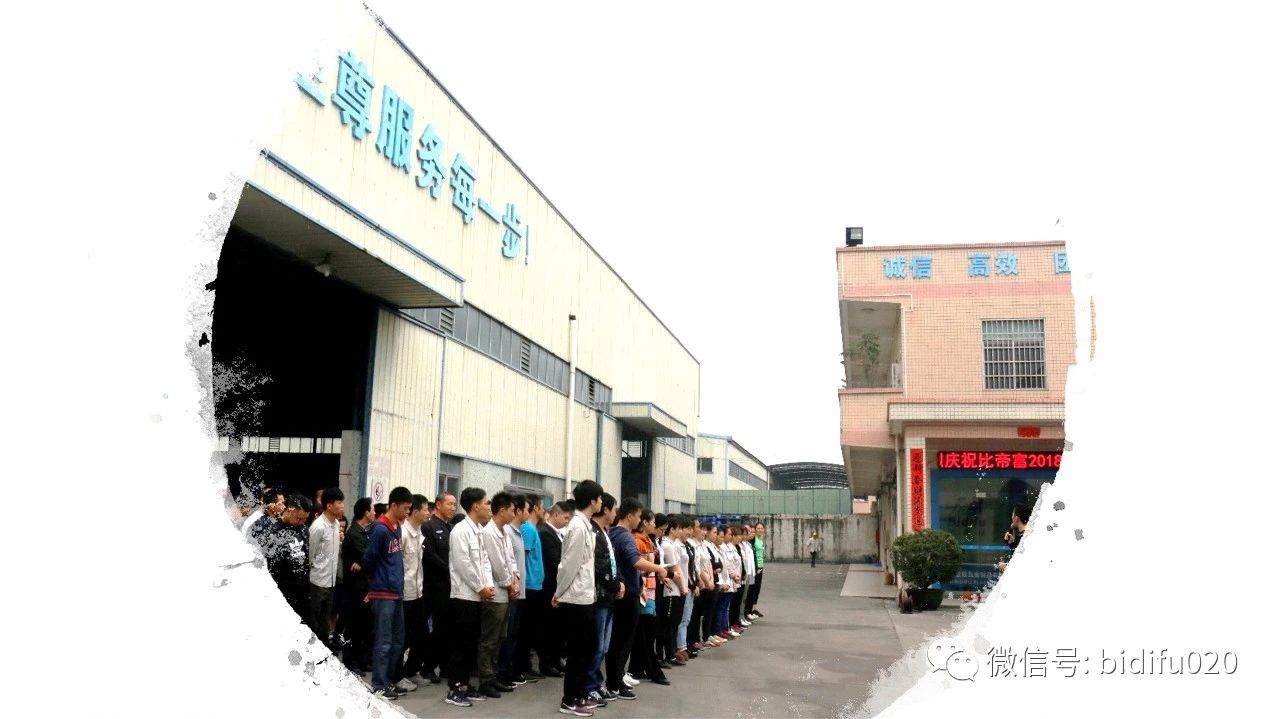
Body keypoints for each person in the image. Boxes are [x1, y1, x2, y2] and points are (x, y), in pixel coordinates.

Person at [606, 499, 668, 697]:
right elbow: (635, 561)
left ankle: (614, 680)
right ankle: (616, 683)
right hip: (627, 595)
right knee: (623, 641)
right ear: (629, 515)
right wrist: (659, 568)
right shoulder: (625, 537)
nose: (640, 520)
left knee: (617, 640)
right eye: (639, 516)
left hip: (622, 591)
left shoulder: (612, 534)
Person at [553, 480, 603, 717]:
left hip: (585, 596)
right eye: (599, 499)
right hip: (575, 598)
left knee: (589, 647)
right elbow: (568, 565)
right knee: (578, 651)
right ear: (592, 501)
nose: (601, 502)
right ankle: (569, 699)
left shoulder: (585, 525)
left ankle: (580, 692)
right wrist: (559, 592)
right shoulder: (578, 527)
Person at [444, 487, 496, 708]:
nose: (489, 507)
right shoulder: (460, 531)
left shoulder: (479, 531)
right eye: (486, 503)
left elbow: (485, 561)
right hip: (463, 596)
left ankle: (465, 684)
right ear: (475, 506)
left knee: (471, 644)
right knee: (460, 645)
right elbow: (462, 564)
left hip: (477, 595)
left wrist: (488, 586)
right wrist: (479, 587)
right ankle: (455, 688)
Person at [362, 486, 412, 701]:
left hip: (397, 591)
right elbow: (369, 559)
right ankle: (379, 685)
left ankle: (388, 679)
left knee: (398, 640)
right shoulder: (380, 529)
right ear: (393, 505)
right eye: (405, 508)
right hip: (383, 593)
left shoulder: (397, 527)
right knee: (383, 641)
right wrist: (378, 582)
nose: (407, 512)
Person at [585, 493, 621, 706]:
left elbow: (612, 562)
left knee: (603, 647)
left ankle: (597, 683)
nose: (615, 514)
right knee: (596, 646)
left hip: (608, 597)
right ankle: (590, 686)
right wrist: (615, 585)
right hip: (599, 596)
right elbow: (598, 567)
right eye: (614, 509)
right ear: (605, 509)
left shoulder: (604, 532)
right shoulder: (593, 532)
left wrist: (620, 581)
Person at [625, 510, 668, 685]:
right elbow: (639, 568)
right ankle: (652, 670)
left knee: (646, 631)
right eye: (652, 522)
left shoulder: (648, 541)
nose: (654, 525)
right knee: (646, 632)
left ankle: (637, 667)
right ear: (644, 523)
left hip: (650, 590)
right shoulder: (637, 541)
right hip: (643, 591)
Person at [396, 494, 431, 691]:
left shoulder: (419, 533)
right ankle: (397, 676)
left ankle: (411, 671)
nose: (428, 513)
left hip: (418, 593)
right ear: (415, 512)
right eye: (425, 509)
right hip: (404, 594)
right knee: (402, 638)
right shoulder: (402, 534)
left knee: (422, 635)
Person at [421, 492, 456, 684]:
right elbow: (429, 555)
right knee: (435, 628)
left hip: (448, 586)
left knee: (445, 628)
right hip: (433, 586)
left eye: (454, 505)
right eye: (449, 504)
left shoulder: (449, 527)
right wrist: (449, 569)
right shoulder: (428, 527)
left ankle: (443, 666)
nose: (452, 508)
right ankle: (427, 667)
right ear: (438, 505)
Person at [497, 494, 531, 688]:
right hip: (510, 591)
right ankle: (502, 671)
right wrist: (512, 585)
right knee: (506, 635)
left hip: (519, 591)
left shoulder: (517, 532)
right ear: (517, 511)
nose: (528, 513)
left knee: (513, 634)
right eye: (526, 510)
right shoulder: (508, 532)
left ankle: (508, 669)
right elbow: (504, 563)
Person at [262, 494, 314, 622]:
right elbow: (271, 570)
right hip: (284, 594)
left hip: (304, 593)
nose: (302, 522)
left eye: (305, 519)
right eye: (299, 518)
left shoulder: (303, 529)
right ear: (289, 510)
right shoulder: (273, 533)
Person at [537, 501, 573, 677]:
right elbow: (553, 559)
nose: (567, 521)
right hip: (549, 585)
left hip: (558, 586)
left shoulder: (557, 533)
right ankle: (547, 663)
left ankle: (556, 659)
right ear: (556, 515)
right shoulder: (545, 533)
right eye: (565, 518)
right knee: (548, 628)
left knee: (558, 628)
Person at [308, 487, 345, 648]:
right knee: (314, 621)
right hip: (317, 581)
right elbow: (310, 555)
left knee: (326, 621)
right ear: (329, 506)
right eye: (339, 502)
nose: (342, 506)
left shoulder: (336, 523)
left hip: (331, 581)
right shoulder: (318, 527)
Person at [515, 496, 546, 679]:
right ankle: (521, 666)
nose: (544, 511)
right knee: (524, 629)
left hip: (535, 584)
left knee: (530, 628)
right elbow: (522, 557)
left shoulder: (533, 528)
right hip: (529, 585)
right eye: (542, 507)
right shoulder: (527, 528)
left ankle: (524, 664)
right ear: (535, 508)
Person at [998, 503, 1031, 573]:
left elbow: (1025, 564)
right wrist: (1012, 544)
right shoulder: (1024, 534)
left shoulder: (1027, 537)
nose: (1012, 517)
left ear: (1016, 518)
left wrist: (1007, 567)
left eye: (1013, 515)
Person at [744, 521, 766, 620]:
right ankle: (748, 611)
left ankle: (753, 609)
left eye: (762, 528)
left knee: (756, 590)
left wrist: (760, 567)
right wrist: (756, 567)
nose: (760, 530)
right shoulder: (753, 540)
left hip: (760, 567)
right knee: (752, 590)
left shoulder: (761, 540)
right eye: (758, 528)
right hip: (755, 568)